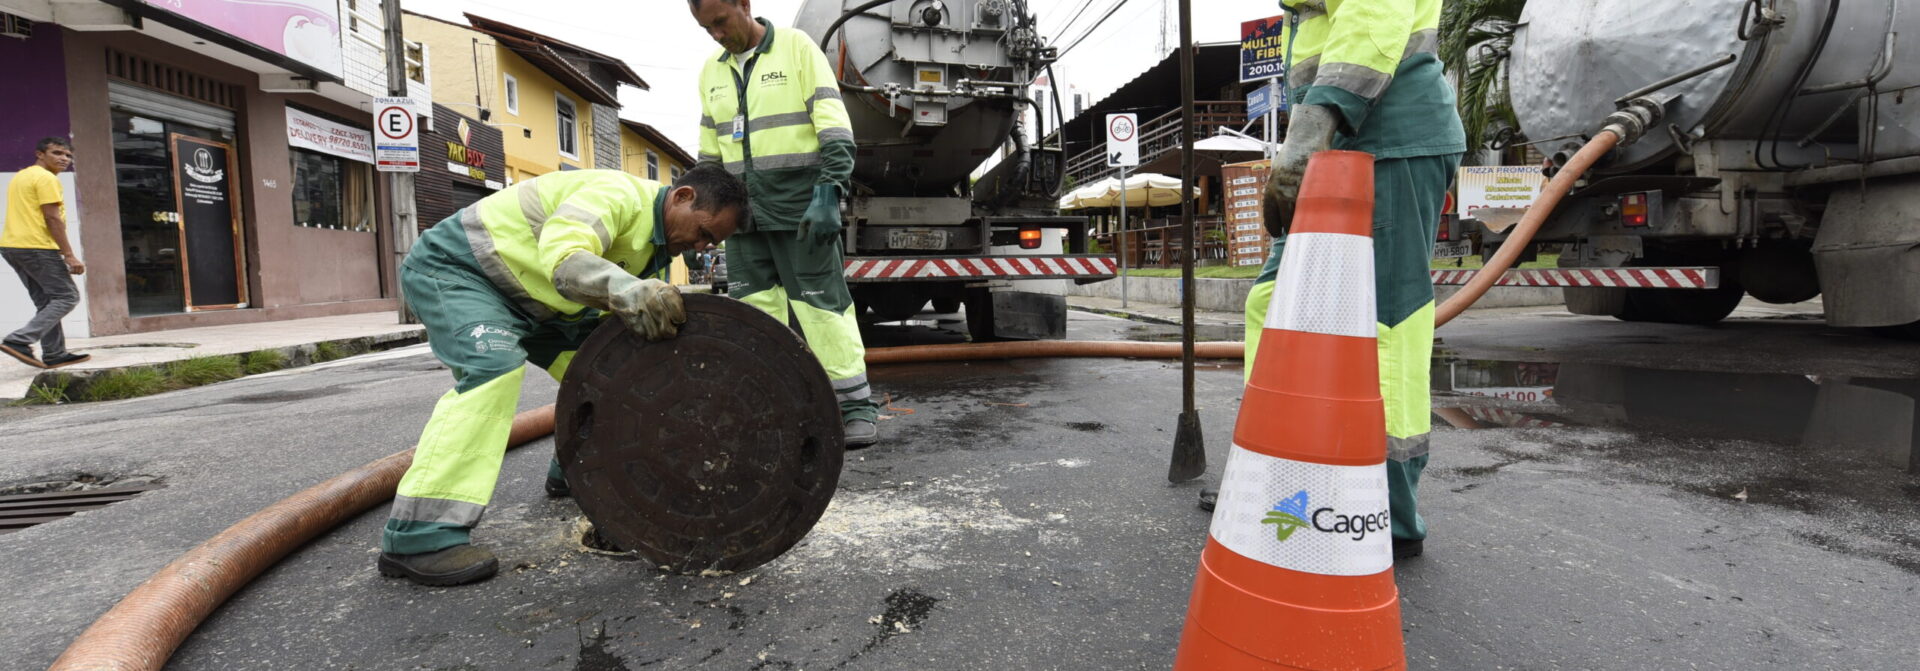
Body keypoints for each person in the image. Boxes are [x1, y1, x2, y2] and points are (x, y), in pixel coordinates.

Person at [378, 166, 747, 586]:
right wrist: (625, 288)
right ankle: (420, 535)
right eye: (703, 233)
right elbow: (565, 257)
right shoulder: (617, 194)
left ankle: (575, 471)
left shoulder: (659, 245)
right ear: (682, 197)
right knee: (492, 370)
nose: (701, 248)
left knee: (615, 378)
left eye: (711, 244)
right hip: (463, 272)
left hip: (543, 304)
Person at [1200, 0, 1465, 563]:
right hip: (1337, 145)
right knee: (1273, 302)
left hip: (1391, 137)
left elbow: (1375, 14)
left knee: (1386, 321)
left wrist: (1316, 119)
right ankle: (1271, 470)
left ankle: (1385, 507)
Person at [687, 0, 880, 448]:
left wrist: (830, 192)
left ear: (744, 5)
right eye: (705, 28)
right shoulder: (710, 73)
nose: (715, 33)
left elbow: (834, 127)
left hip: (801, 213)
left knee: (823, 310)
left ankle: (854, 407)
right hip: (742, 221)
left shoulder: (796, 48)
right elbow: (709, 156)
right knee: (753, 318)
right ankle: (767, 407)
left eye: (720, 21)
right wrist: (704, 215)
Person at [2, 137, 89, 369]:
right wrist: (69, 255)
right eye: (57, 153)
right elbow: (52, 218)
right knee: (67, 296)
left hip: (12, 246)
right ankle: (19, 340)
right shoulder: (46, 178)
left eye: (68, 155)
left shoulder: (22, 175)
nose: (64, 158)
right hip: (37, 247)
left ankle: (55, 353)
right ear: (40, 154)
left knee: (47, 301)